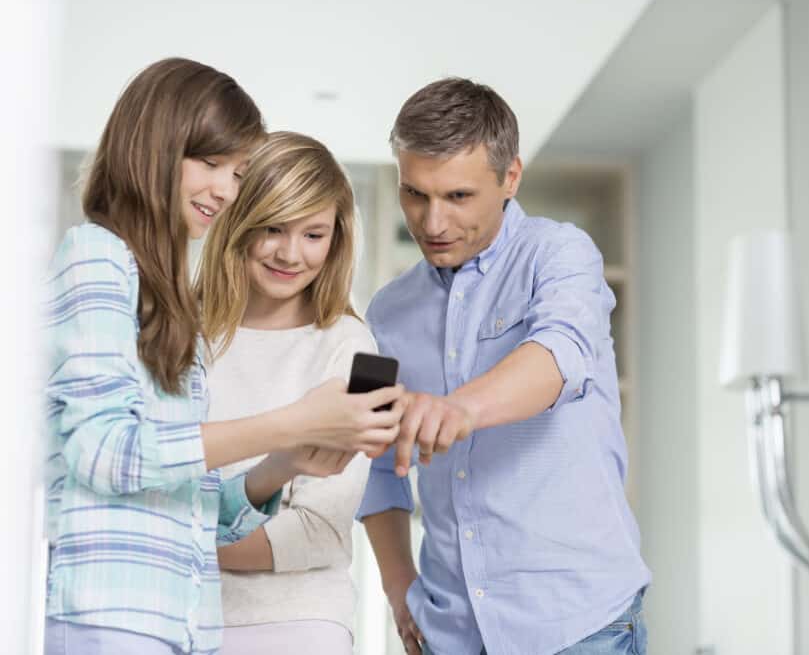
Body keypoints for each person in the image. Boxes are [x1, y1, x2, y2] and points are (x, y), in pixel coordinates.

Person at [44, 59, 403, 655]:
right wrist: (290, 423)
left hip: (182, 623)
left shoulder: (157, 300)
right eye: (210, 164)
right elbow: (105, 453)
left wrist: (283, 460)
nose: (224, 189)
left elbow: (192, 504)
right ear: (154, 149)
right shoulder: (98, 259)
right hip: (118, 615)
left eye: (234, 172)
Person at [357, 78, 650, 655]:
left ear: (510, 178)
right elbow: (374, 465)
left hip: (578, 626)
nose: (432, 223)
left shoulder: (562, 254)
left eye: (458, 197)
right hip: (449, 632)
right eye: (414, 194)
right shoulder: (382, 313)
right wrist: (398, 589)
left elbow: (562, 355)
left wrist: (459, 407)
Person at [196, 131, 375, 655]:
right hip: (178, 615)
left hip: (301, 622)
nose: (290, 254)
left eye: (314, 234)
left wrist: (181, 541)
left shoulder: (356, 349)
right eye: (272, 227)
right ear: (237, 222)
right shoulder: (179, 333)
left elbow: (320, 530)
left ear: (337, 239)